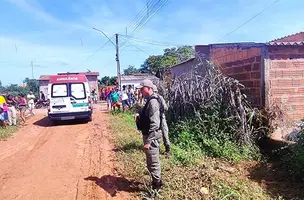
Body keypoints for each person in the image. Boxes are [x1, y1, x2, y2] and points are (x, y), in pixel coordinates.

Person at [135, 79, 164, 194]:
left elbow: (155, 124)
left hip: (152, 136)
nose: (141, 91)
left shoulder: (153, 102)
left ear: (149, 88)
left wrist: (149, 141)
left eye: (142, 88)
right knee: (150, 162)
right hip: (148, 134)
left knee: (153, 162)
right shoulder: (149, 100)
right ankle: (155, 183)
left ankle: (157, 187)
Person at [152, 84, 171, 155]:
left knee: (156, 132)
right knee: (165, 132)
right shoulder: (160, 97)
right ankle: (168, 149)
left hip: (155, 118)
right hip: (162, 117)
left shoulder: (150, 99)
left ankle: (156, 148)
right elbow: (166, 108)